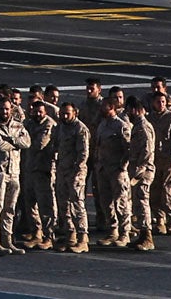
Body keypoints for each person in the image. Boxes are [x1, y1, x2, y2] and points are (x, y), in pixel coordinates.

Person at [0, 98, 31, 256]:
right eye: (2, 109)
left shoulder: (18, 125)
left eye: (7, 109)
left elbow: (27, 142)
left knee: (10, 208)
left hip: (14, 172)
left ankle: (7, 238)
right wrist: (15, 142)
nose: (4, 112)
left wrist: (11, 140)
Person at [53, 101, 91, 253]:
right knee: (63, 204)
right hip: (62, 170)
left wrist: (77, 173)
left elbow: (83, 154)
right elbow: (56, 145)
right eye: (62, 113)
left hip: (76, 172)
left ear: (75, 112)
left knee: (77, 204)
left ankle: (83, 238)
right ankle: (70, 235)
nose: (64, 116)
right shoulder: (61, 127)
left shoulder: (80, 129)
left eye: (67, 113)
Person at [94, 96, 132, 247]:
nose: (101, 108)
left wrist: (122, 166)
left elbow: (128, 149)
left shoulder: (121, 126)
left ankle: (125, 233)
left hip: (116, 170)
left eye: (104, 106)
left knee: (121, 202)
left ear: (111, 107)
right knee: (106, 203)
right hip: (103, 169)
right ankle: (112, 231)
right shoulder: (102, 124)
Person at [19, 99, 57, 250]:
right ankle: (36, 233)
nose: (38, 114)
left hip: (43, 170)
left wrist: (21, 140)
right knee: (30, 204)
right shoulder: (29, 124)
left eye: (40, 111)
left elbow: (38, 144)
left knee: (45, 205)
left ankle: (49, 236)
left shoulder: (49, 125)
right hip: (29, 169)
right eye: (35, 111)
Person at [148, 90, 171, 236]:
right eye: (158, 102)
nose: (161, 104)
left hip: (168, 161)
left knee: (168, 191)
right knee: (155, 191)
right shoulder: (149, 118)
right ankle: (159, 220)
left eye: (163, 102)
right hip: (154, 161)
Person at [125, 96, 156, 251]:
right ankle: (142, 235)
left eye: (129, 110)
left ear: (135, 109)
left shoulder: (143, 127)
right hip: (137, 170)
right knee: (138, 203)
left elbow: (147, 151)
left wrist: (139, 170)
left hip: (142, 172)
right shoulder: (137, 126)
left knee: (142, 202)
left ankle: (147, 236)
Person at [78, 78, 107, 231]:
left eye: (92, 89)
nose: (89, 91)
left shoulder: (103, 106)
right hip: (85, 151)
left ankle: (102, 217)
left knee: (99, 187)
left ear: (99, 89)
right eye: (87, 88)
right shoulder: (83, 105)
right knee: (80, 185)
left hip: (98, 151)